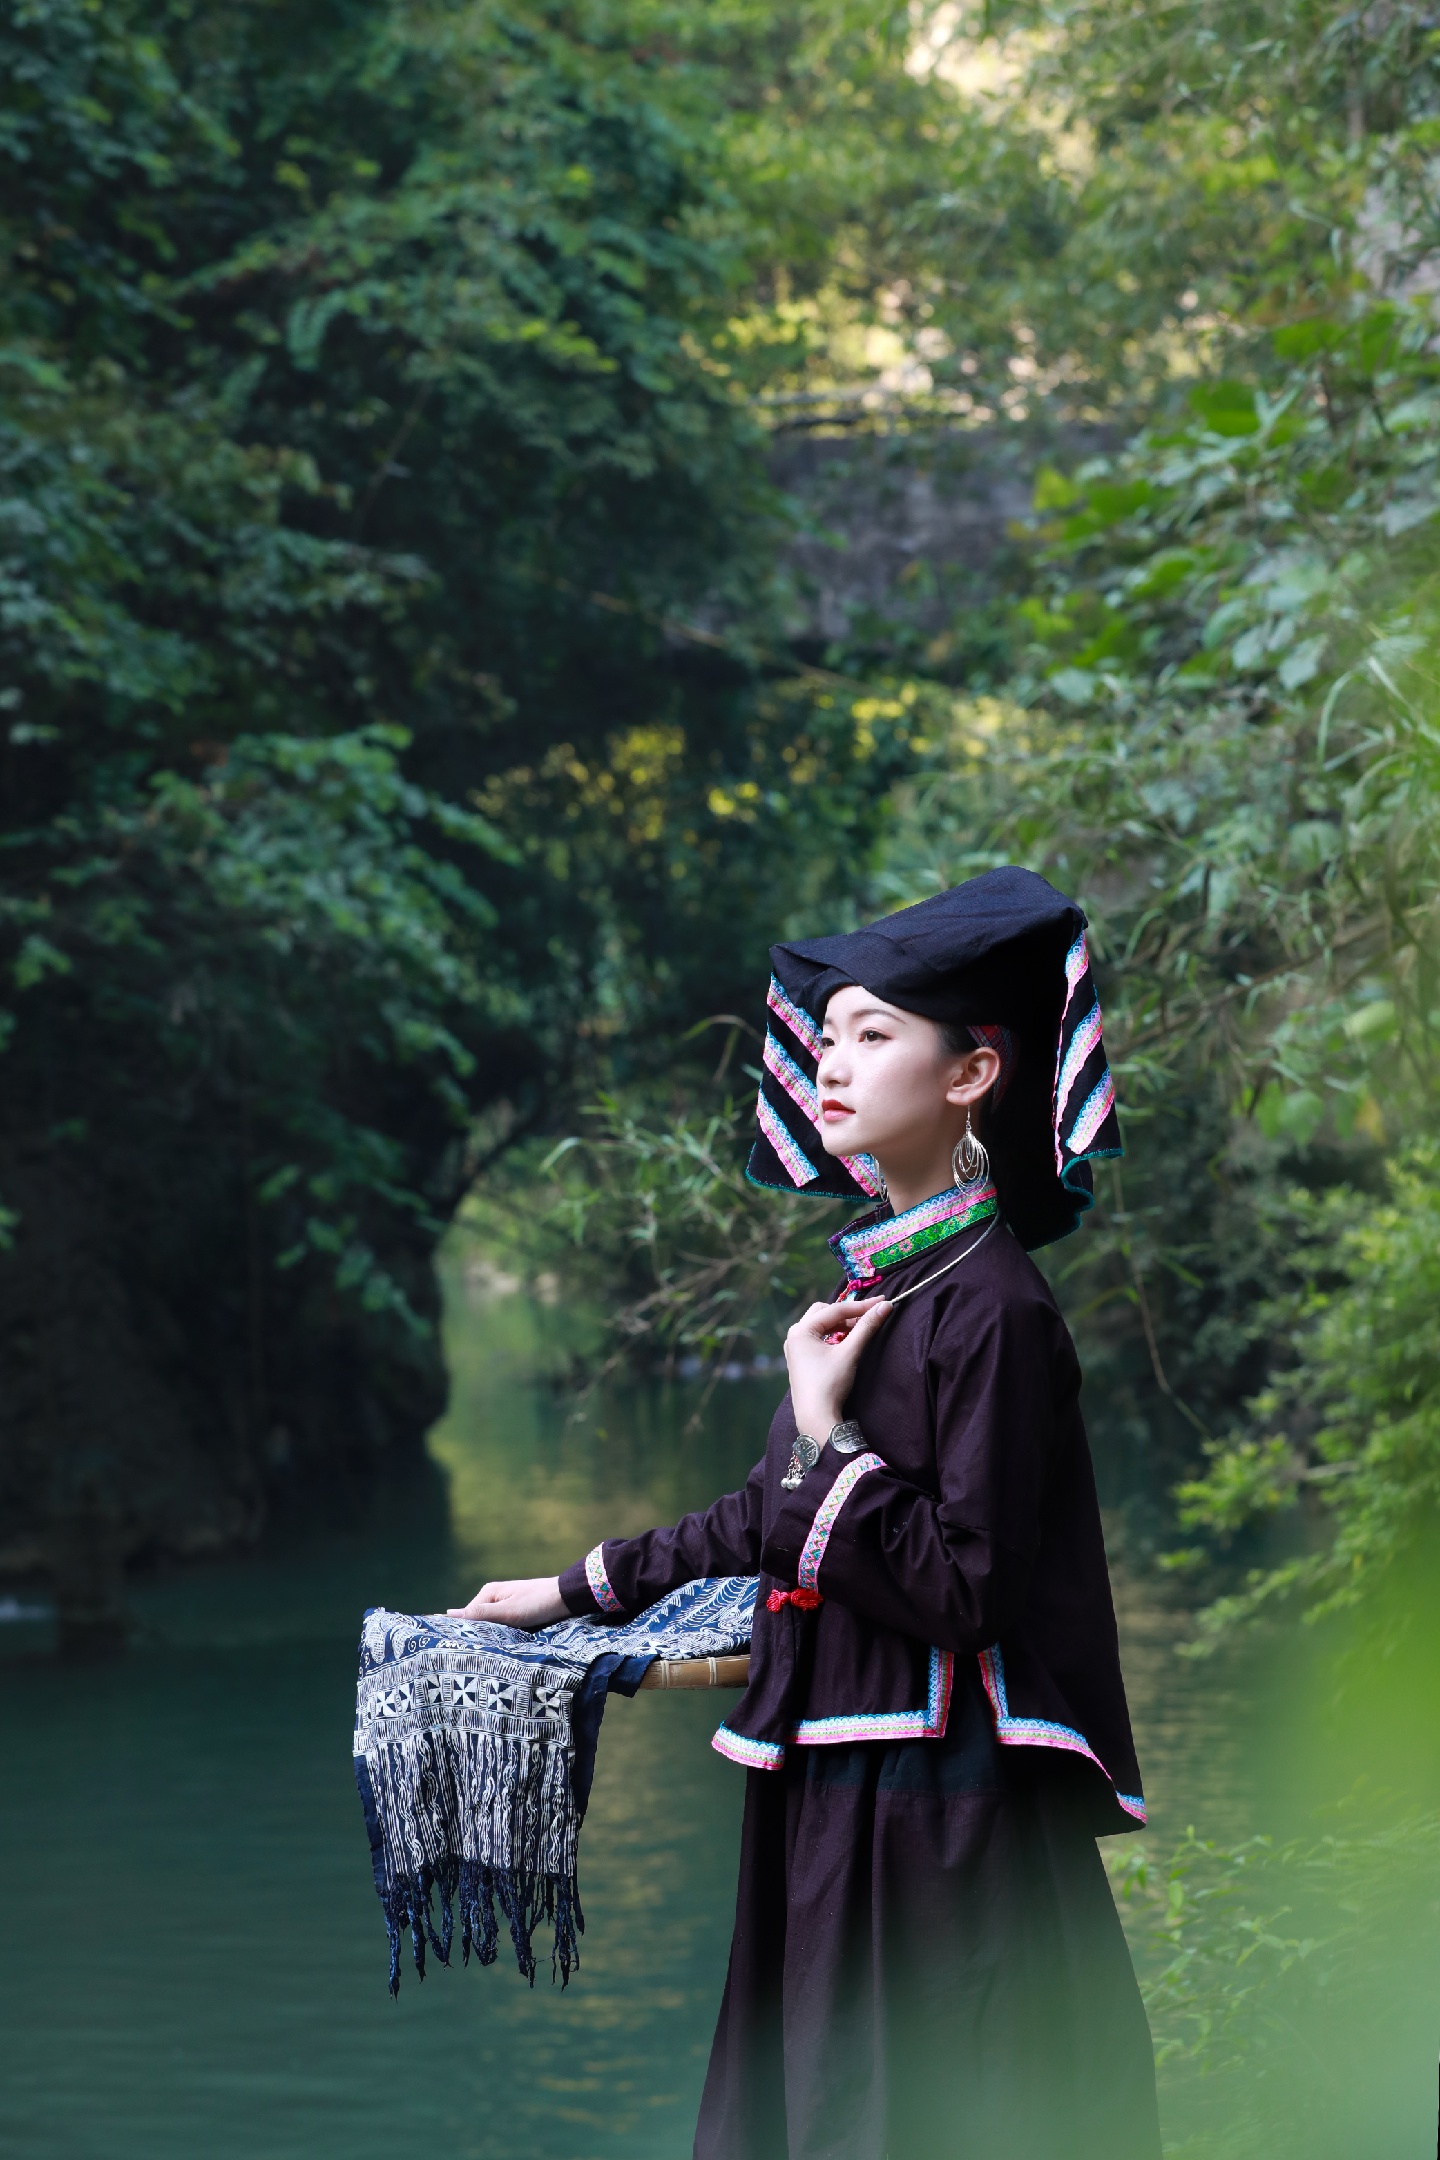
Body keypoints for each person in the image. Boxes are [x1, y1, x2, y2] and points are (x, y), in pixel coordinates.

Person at [450, 867, 1162, 2160]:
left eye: (874, 1034)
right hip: (839, 1779)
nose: (831, 1063)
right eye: (828, 1036)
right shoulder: (888, 1286)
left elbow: (964, 1588)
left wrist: (827, 1430)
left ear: (972, 1075)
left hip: (937, 1808)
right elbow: (768, 1515)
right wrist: (573, 1589)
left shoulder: (994, 1308)